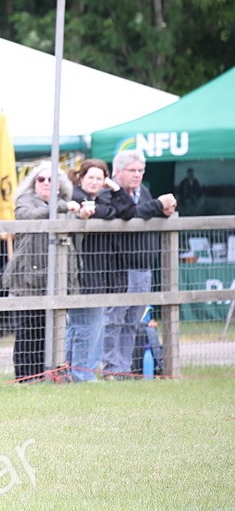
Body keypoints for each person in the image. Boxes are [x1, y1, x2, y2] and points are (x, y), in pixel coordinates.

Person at [2, 161, 79, 382]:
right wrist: (62, 207)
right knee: (29, 328)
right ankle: (26, 376)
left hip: (58, 276)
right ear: (34, 182)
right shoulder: (25, 200)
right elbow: (27, 216)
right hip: (27, 275)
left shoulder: (66, 204)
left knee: (53, 327)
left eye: (51, 179)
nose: (46, 183)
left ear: (59, 184)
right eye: (41, 179)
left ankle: (49, 373)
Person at [103, 150, 176, 378]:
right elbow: (131, 214)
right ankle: (110, 368)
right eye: (132, 170)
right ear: (117, 171)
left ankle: (124, 369)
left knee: (133, 321)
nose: (137, 175)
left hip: (144, 267)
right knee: (113, 320)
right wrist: (157, 204)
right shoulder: (107, 193)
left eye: (140, 170)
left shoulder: (143, 191)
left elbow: (146, 213)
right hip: (118, 268)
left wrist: (165, 211)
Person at [66, 159, 133, 382]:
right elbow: (97, 211)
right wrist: (106, 211)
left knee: (85, 324)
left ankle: (74, 371)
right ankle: (82, 374)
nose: (95, 182)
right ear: (80, 178)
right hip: (81, 270)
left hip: (101, 270)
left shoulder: (104, 197)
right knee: (87, 325)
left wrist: (114, 188)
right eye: (90, 177)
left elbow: (127, 211)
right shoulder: (74, 196)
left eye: (99, 178)